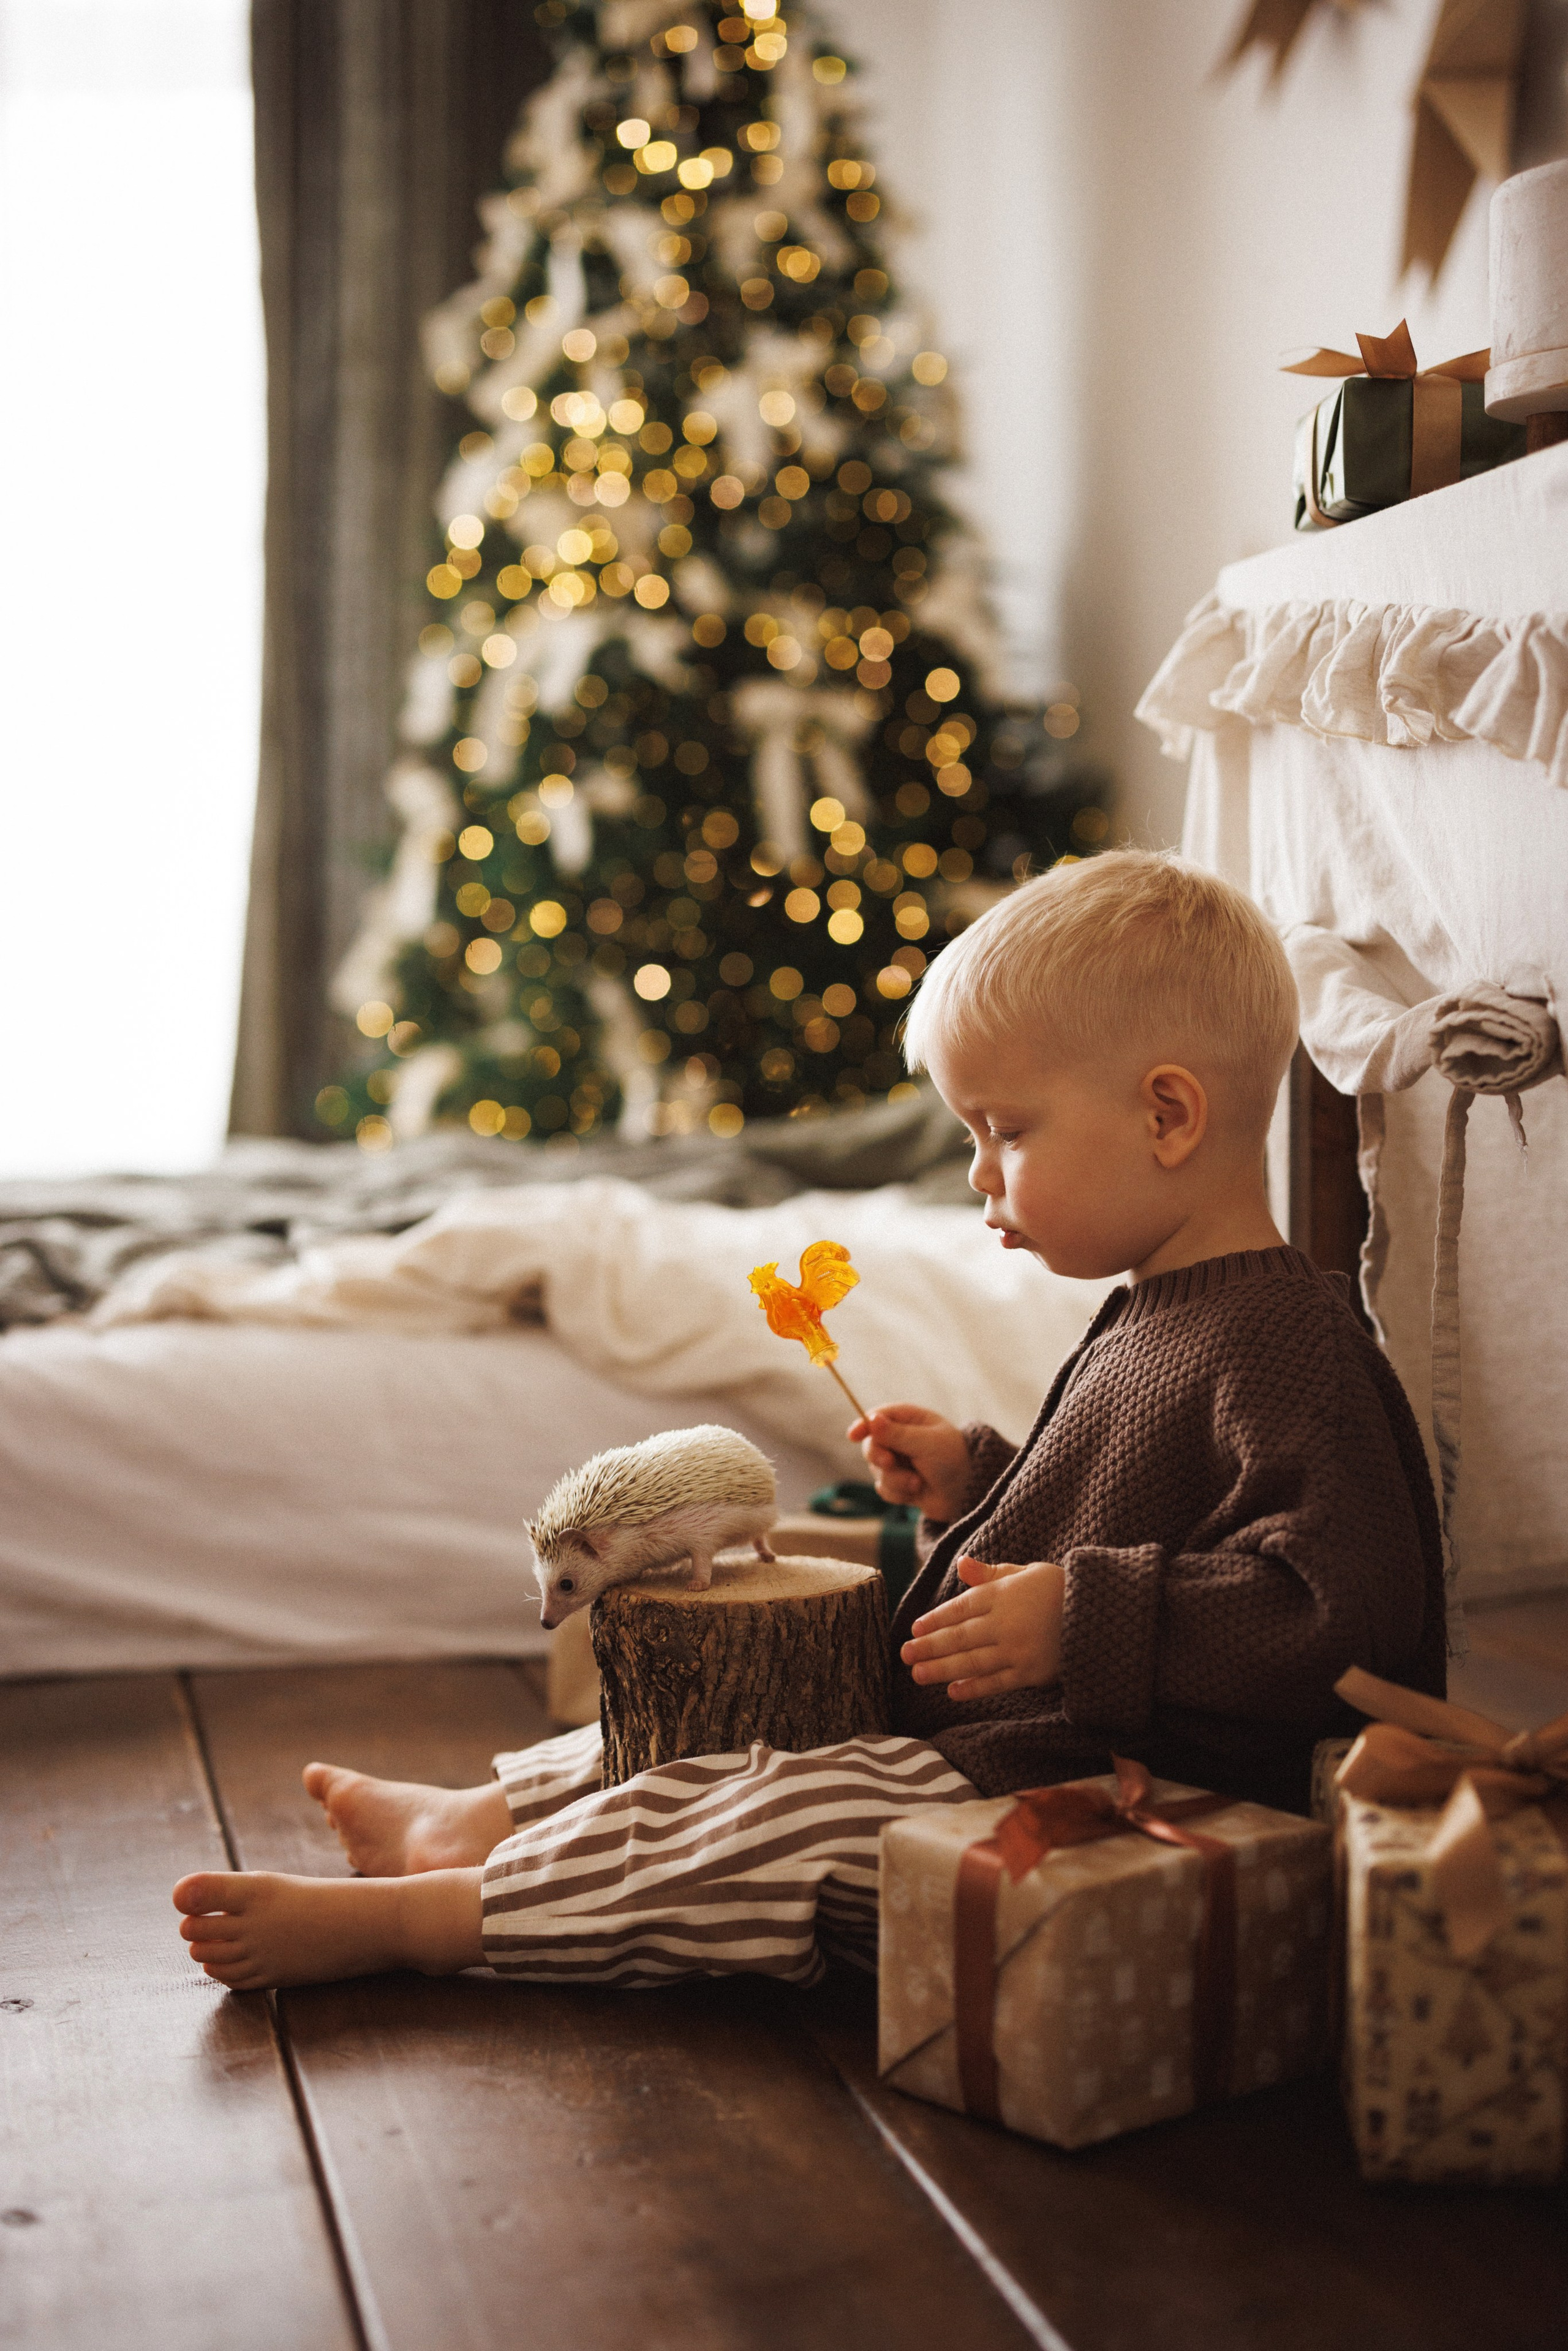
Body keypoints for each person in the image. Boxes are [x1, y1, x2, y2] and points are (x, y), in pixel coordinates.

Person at [173, 852, 1444, 1993]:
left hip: (1111, 1785)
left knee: (764, 1821)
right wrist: (976, 1478)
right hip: (1007, 1734)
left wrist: (1078, 1616)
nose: (978, 1172)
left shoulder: (1289, 1344)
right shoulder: (1156, 1309)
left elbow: (1338, 1619)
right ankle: (475, 1820)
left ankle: (432, 1920)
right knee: (734, 1722)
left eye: (1006, 1131)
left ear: (1167, 1115)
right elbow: (1129, 1507)